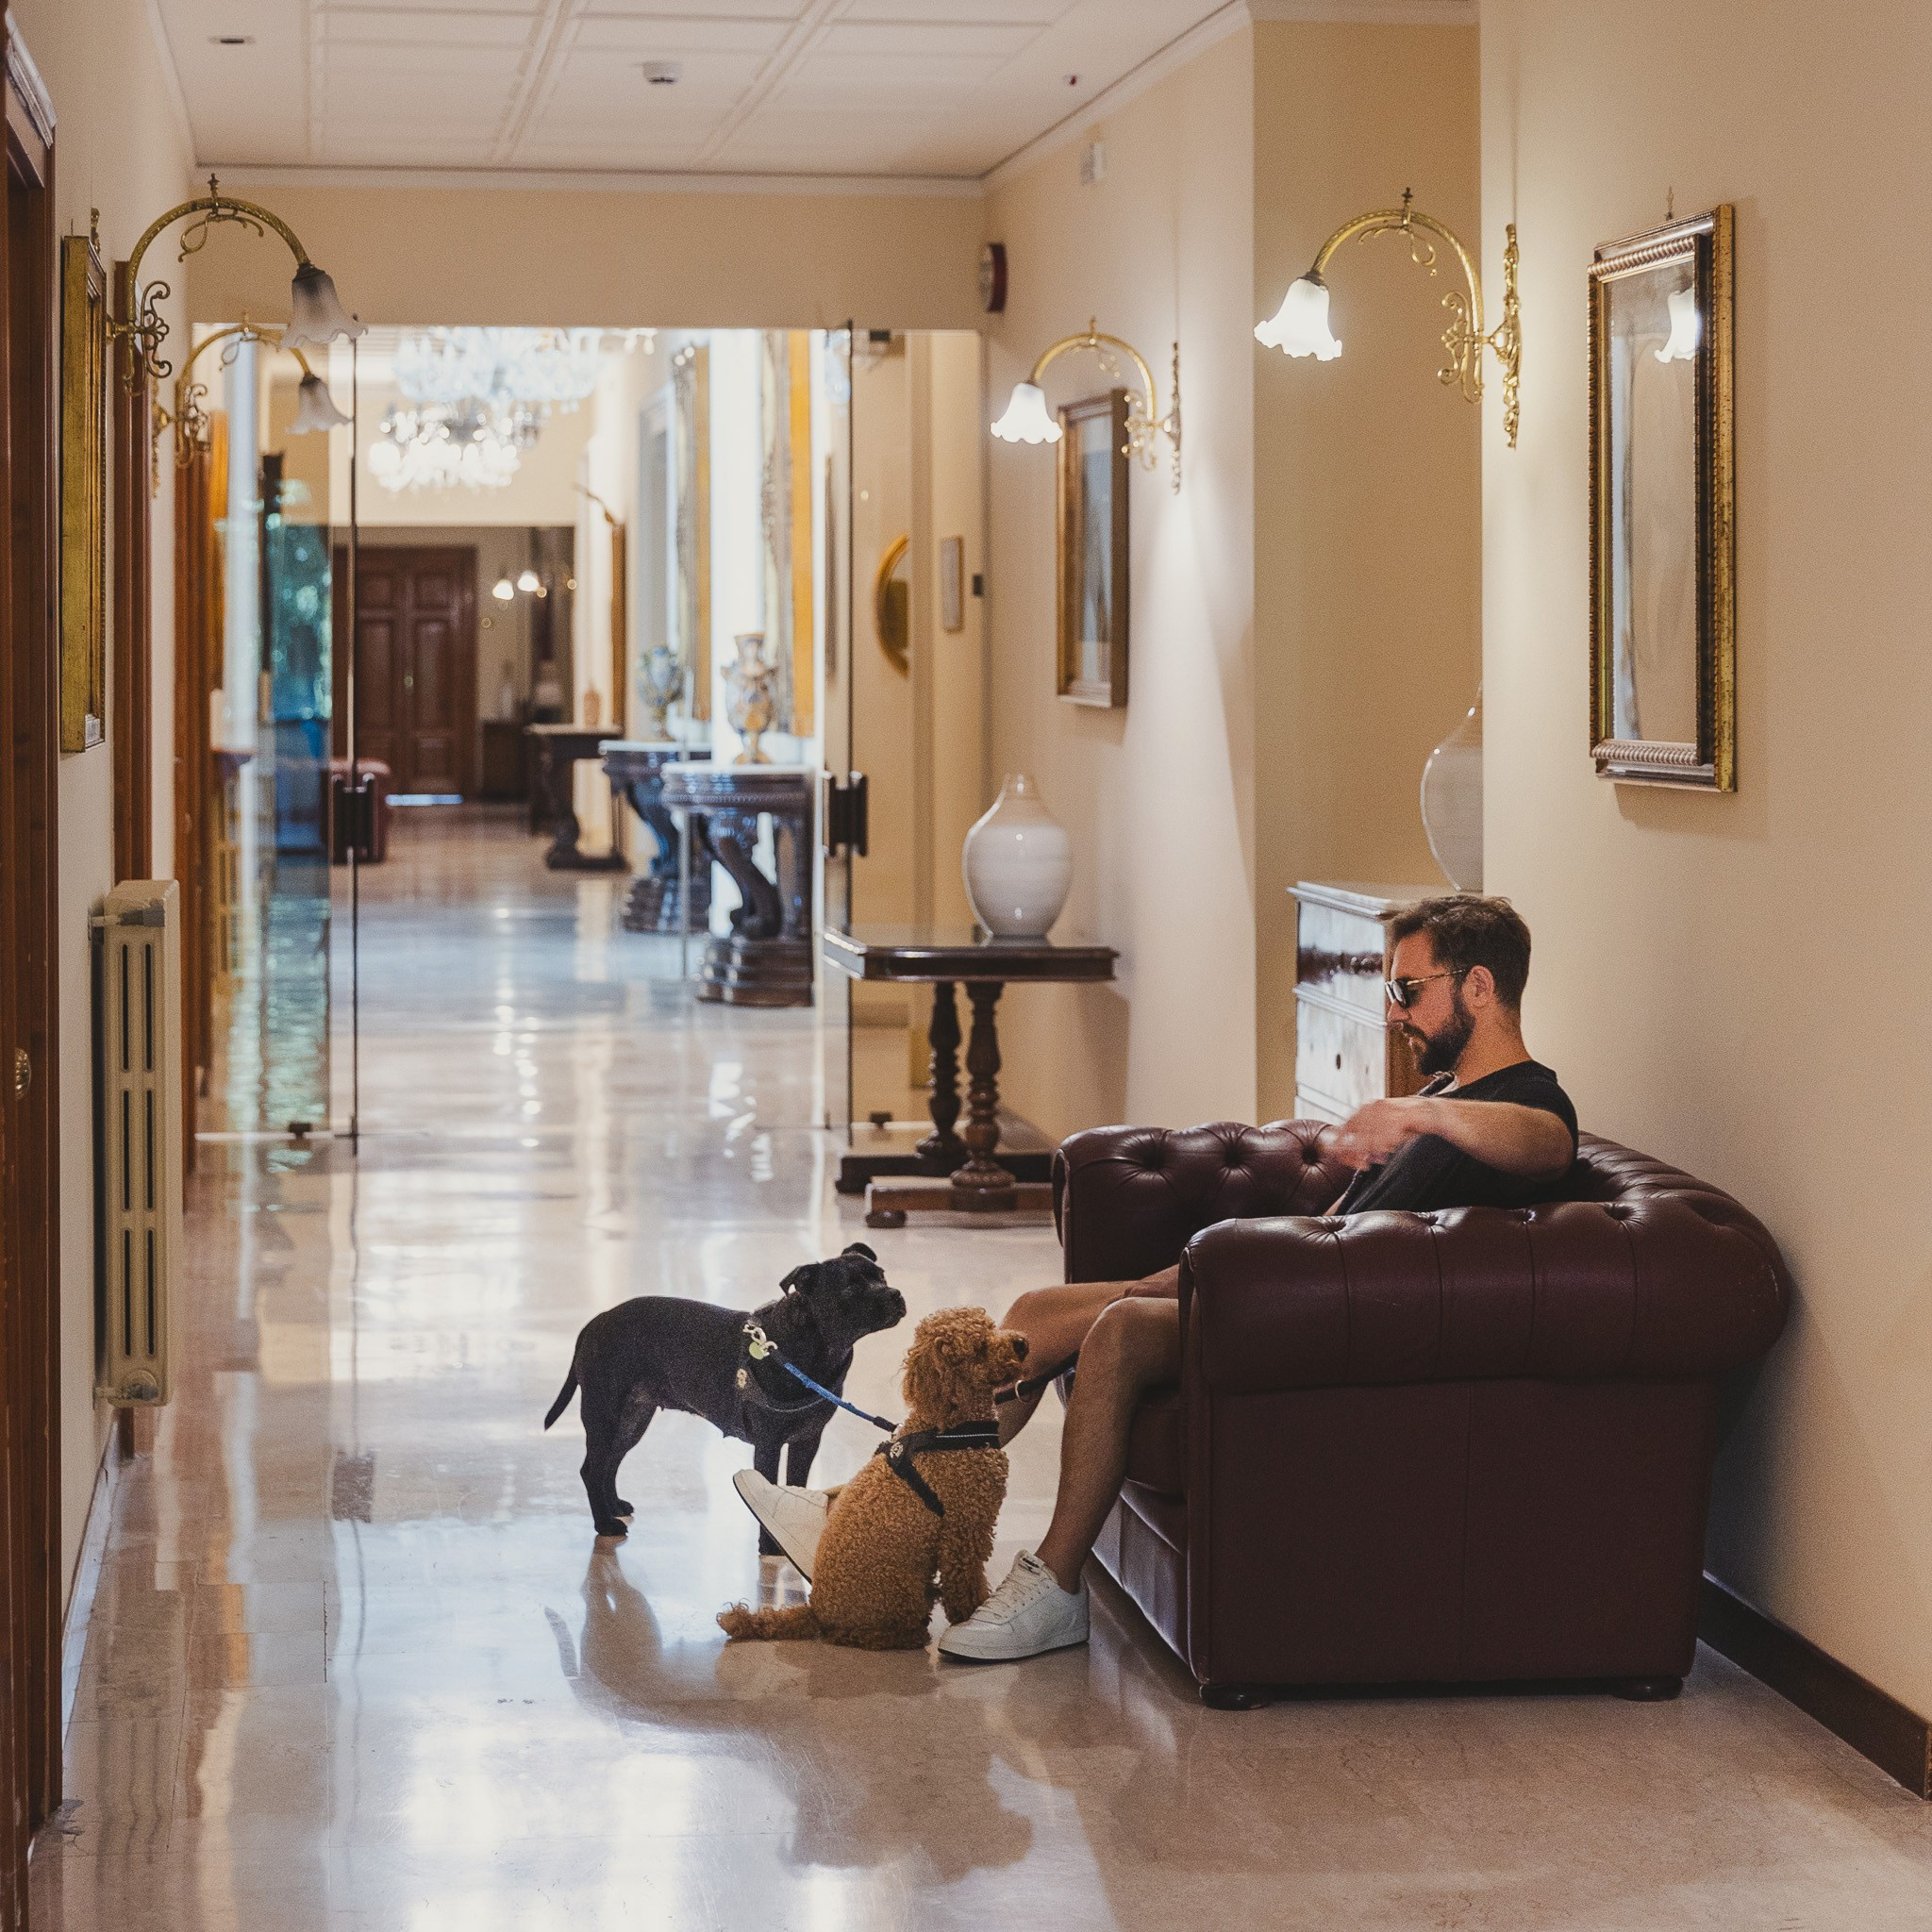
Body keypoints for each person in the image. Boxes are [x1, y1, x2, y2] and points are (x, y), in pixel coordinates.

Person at [932, 893, 1579, 1663]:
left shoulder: (1524, 1099)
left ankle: (1057, 1585)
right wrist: (1201, 1267)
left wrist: (1420, 1116)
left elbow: (1551, 1144)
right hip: (1293, 1286)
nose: (1396, 1012)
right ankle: (901, 1501)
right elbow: (1344, 1214)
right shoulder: (1443, 1096)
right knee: (1034, 1309)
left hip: (1334, 1323)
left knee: (1123, 1330)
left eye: (1410, 990)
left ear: (1479, 987)